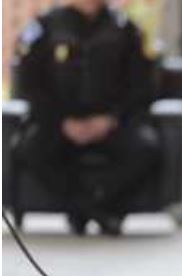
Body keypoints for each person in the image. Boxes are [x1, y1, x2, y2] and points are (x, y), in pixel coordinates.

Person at [13, 0, 159, 236]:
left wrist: (110, 118)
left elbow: (142, 86)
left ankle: (86, 207)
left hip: (111, 123)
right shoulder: (44, 27)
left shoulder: (126, 29)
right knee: (30, 148)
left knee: (145, 148)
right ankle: (96, 209)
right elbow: (29, 84)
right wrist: (62, 122)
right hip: (58, 122)